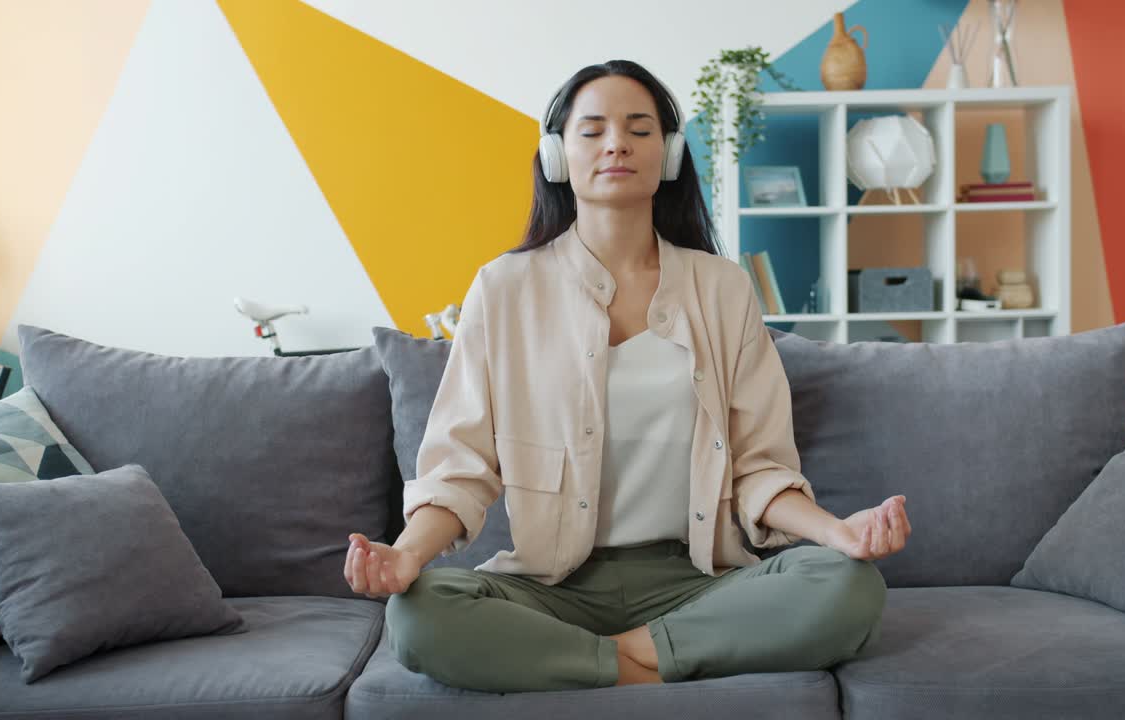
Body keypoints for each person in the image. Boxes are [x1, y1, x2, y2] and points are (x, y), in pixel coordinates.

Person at [344, 59, 911, 693]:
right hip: (552, 587)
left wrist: (838, 532)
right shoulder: (503, 289)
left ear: (667, 154)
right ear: (558, 155)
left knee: (848, 586)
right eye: (593, 130)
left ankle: (586, 661)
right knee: (420, 614)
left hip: (697, 583)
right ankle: (663, 663)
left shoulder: (721, 289)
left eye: (639, 129)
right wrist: (406, 557)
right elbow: (460, 470)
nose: (616, 143)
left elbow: (759, 469)